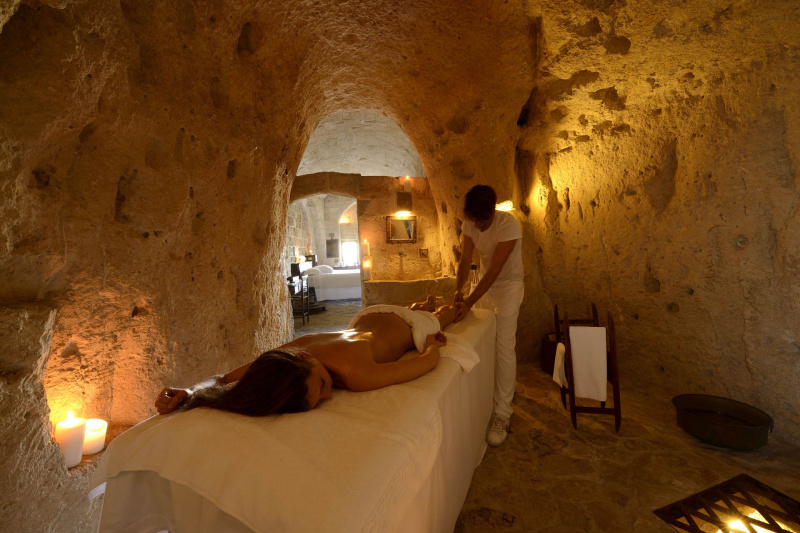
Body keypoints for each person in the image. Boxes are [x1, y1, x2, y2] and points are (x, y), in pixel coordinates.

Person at [154, 297, 457, 416]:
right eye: (322, 396)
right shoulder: (288, 355)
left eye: (322, 384)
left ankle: (443, 306)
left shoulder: (356, 374)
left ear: (303, 357)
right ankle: (424, 304)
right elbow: (225, 380)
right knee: (420, 307)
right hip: (371, 314)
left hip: (408, 326)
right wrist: (190, 392)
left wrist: (433, 344)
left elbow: (426, 362)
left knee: (449, 314)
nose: (329, 395)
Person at [453, 185, 524, 447]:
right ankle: (486, 397)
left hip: (508, 287)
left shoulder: (508, 225)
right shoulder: (471, 224)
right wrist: (459, 291)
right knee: (480, 339)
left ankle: (503, 412)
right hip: (483, 285)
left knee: (504, 345)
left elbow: (494, 270)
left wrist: (469, 302)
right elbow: (465, 260)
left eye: (482, 223)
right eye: (474, 222)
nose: (478, 227)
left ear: (493, 212)